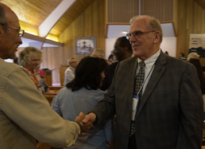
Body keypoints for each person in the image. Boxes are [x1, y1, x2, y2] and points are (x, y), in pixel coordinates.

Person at [0, 1, 92, 149]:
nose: (20, 40)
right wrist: (78, 126)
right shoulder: (7, 74)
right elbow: (56, 133)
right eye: (18, 31)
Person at [82, 15, 203, 149]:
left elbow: (192, 123)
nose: (132, 40)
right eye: (130, 35)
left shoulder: (181, 70)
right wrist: (93, 116)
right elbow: (110, 100)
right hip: (125, 143)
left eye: (137, 34)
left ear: (156, 37)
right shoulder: (122, 67)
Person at [52, 56, 114, 149]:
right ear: (94, 74)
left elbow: (54, 118)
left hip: (70, 144)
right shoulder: (101, 96)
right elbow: (108, 127)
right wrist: (112, 144)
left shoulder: (62, 92)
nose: (104, 76)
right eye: (103, 72)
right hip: (96, 145)